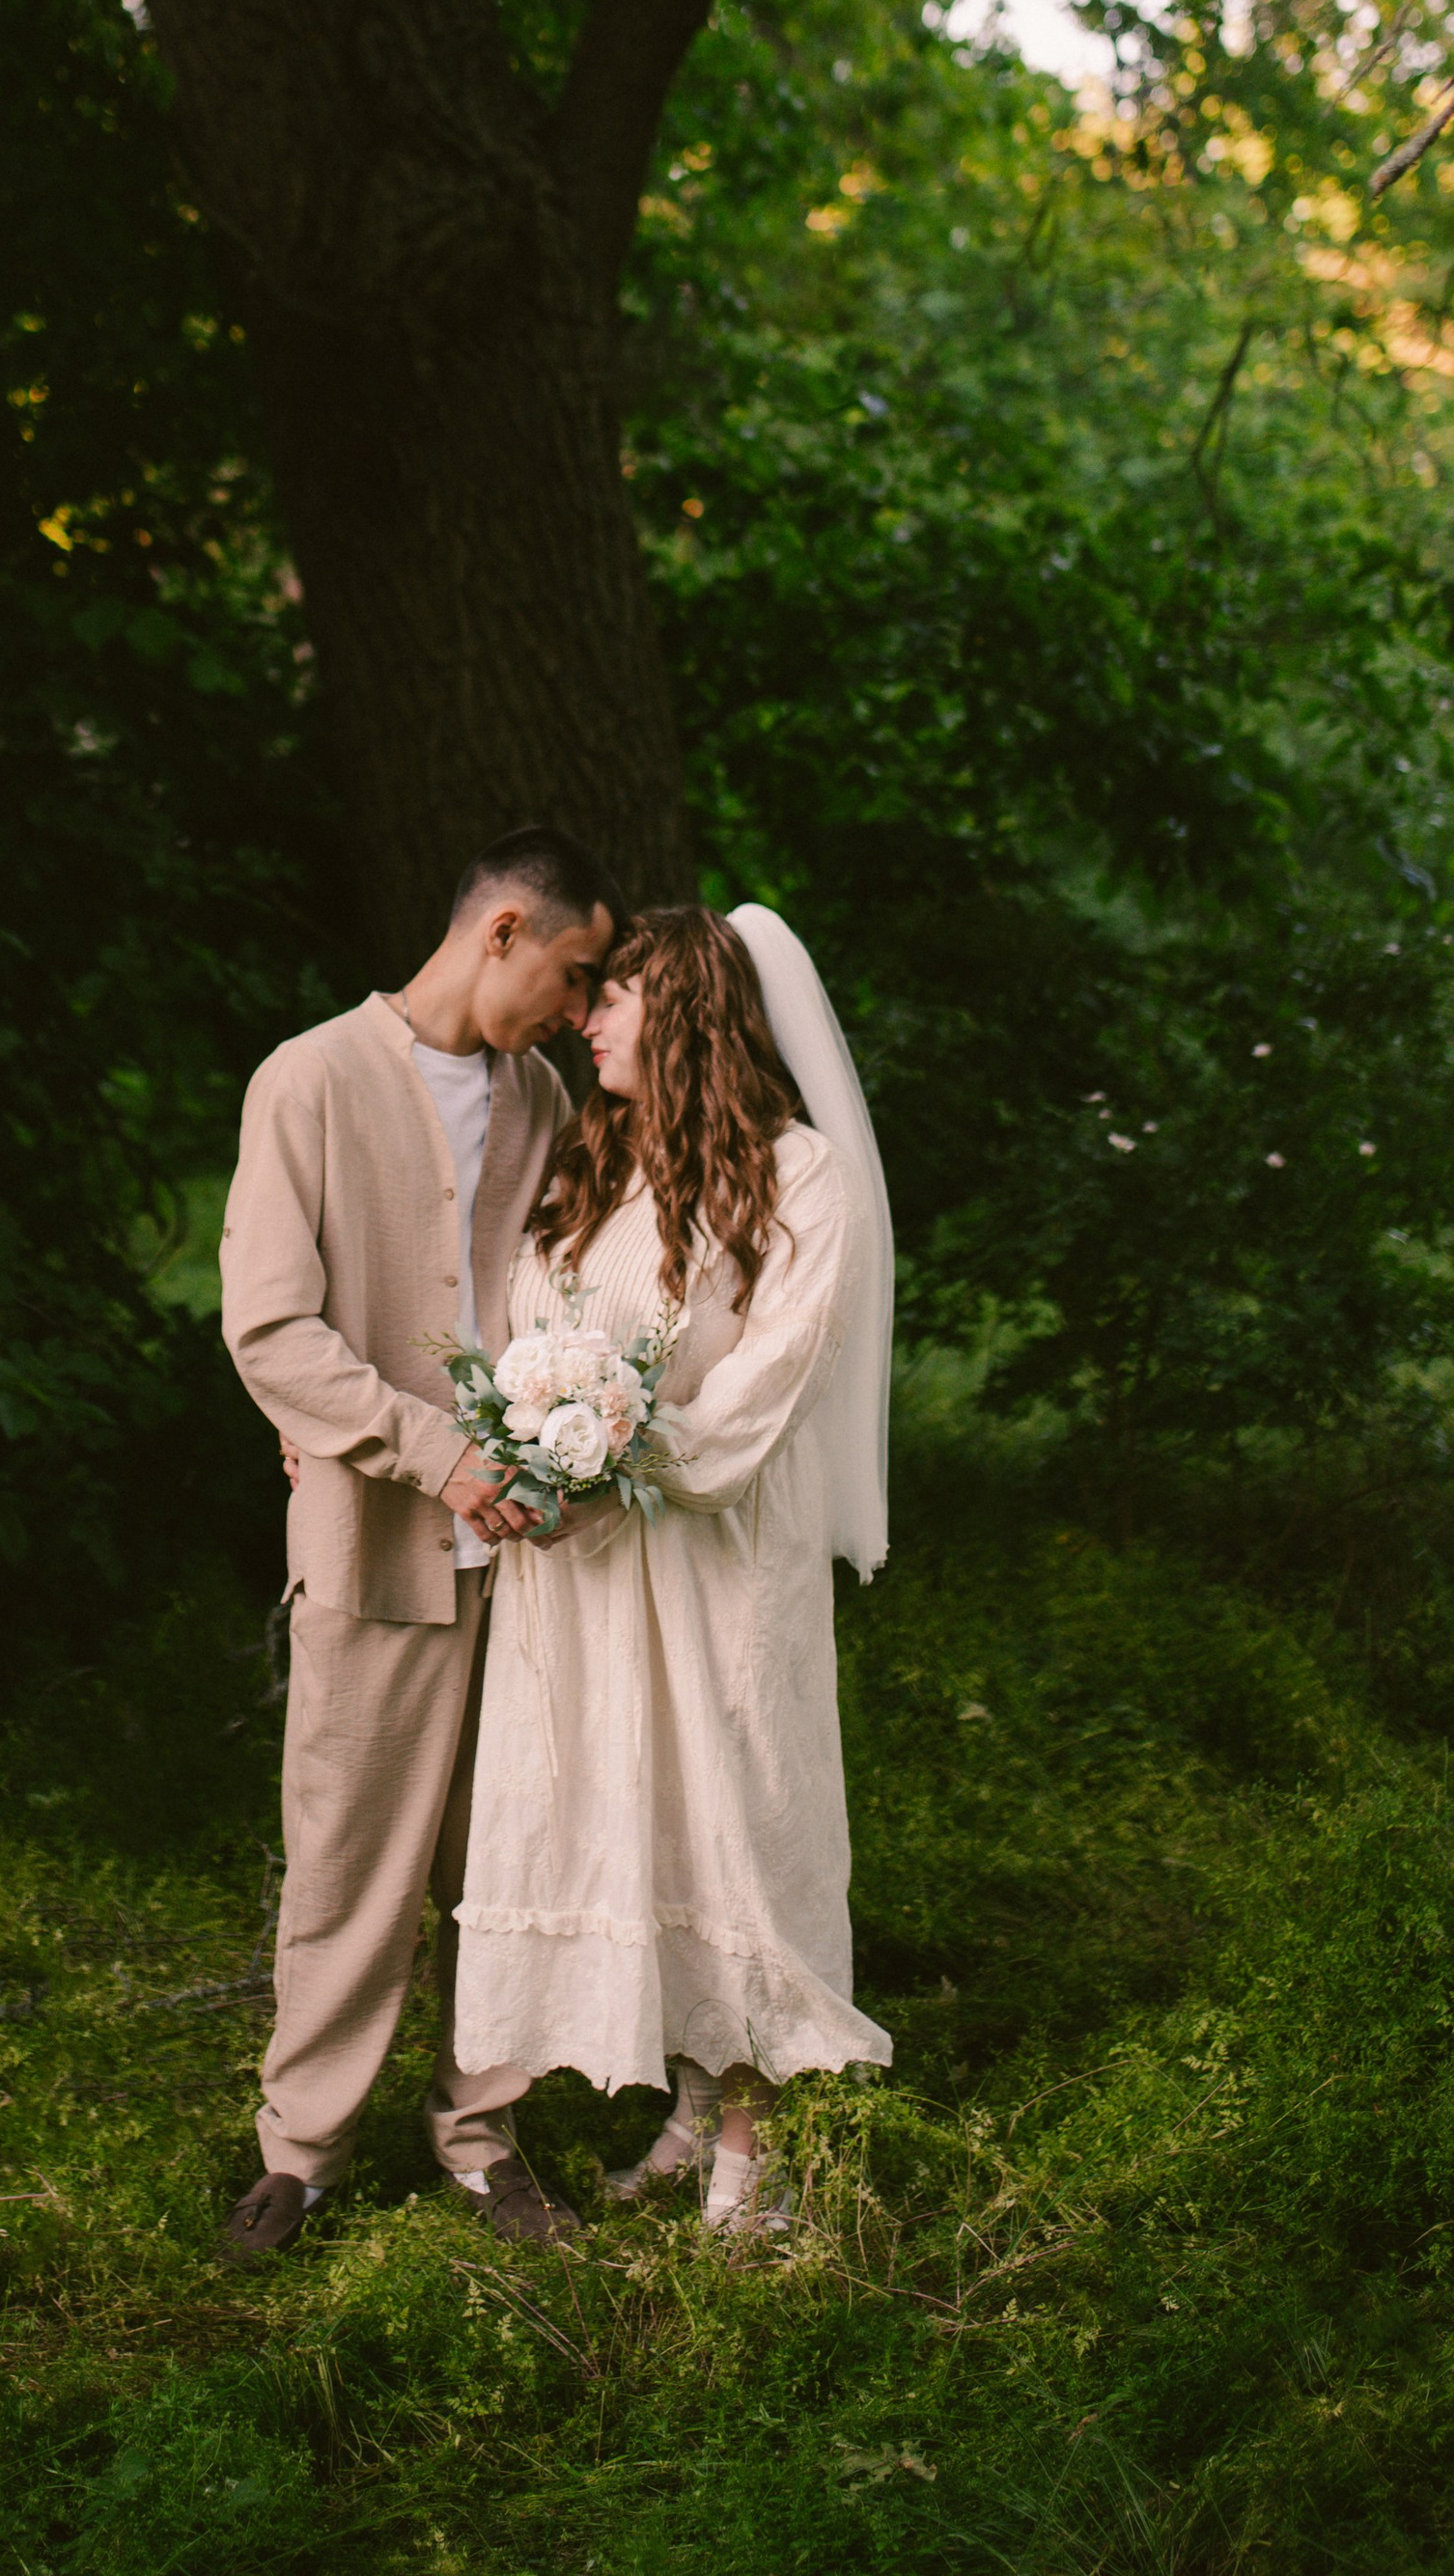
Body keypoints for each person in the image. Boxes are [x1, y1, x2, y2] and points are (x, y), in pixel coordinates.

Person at [213, 825, 624, 2267]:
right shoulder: (310, 1079)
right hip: (375, 1543)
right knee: (346, 1860)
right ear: (502, 929)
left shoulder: (543, 1104)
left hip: (528, 1563)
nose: (579, 1012)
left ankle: (481, 2132)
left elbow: (570, 1300)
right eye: (574, 975)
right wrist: (434, 1455)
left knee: (502, 1859)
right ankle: (301, 2153)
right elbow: (272, 1330)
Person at [451, 902, 893, 2233]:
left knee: (729, 1824)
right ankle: (693, 2113)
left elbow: (770, 1389)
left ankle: (754, 2160)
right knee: (630, 1824)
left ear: (690, 1010)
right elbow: (530, 1334)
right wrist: (535, 1444)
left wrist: (627, 1449)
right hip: (583, 1585)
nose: (586, 1017)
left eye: (617, 996)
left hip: (712, 1565)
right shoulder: (597, 1162)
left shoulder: (803, 1178)